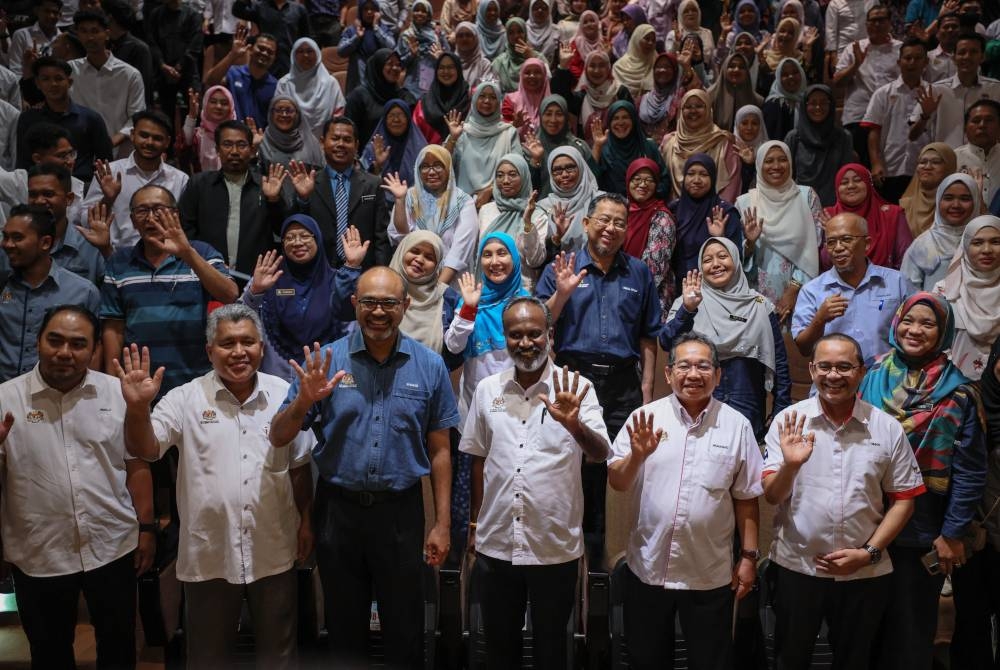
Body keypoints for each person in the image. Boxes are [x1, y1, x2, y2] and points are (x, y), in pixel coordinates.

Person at [268, 267, 460, 668]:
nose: (378, 311)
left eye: (389, 303)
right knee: (343, 631)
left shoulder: (429, 366)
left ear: (405, 307)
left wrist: (442, 523)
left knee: (405, 630)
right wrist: (304, 401)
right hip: (338, 512)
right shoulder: (325, 361)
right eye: (369, 301)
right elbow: (278, 435)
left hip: (401, 514)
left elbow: (441, 450)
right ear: (354, 304)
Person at [117, 305, 314, 669]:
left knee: (280, 656)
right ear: (210, 351)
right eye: (227, 343)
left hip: (272, 547)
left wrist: (306, 520)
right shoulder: (185, 398)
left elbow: (299, 466)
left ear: (261, 347)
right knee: (208, 658)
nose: (239, 352)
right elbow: (147, 448)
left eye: (247, 342)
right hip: (209, 552)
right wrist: (138, 409)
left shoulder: (284, 393)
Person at [0, 303, 154, 669]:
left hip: (111, 545)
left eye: (78, 343)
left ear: (95, 349)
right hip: (38, 551)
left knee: (119, 649)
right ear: (38, 341)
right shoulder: (5, 399)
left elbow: (137, 464)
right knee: (49, 653)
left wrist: (147, 528)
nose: (65, 353)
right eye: (55, 340)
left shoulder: (118, 393)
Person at [461, 297, 610, 669]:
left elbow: (600, 453)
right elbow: (478, 460)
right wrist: (475, 525)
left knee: (551, 651)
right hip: (496, 543)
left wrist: (574, 424)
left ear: (549, 334)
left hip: (553, 545)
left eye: (533, 334)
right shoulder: (486, 390)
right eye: (515, 335)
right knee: (499, 649)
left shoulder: (579, 388)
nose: (525, 343)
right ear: (506, 338)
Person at [763, 333, 925, 670]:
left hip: (865, 571)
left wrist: (869, 553)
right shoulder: (788, 422)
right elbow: (772, 496)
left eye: (844, 367)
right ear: (811, 369)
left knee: (856, 660)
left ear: (861, 371)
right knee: (789, 658)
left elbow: (904, 500)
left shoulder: (886, 427)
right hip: (798, 567)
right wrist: (791, 465)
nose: (833, 375)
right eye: (824, 366)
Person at [608, 332, 763, 669]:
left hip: (708, 573)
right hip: (648, 569)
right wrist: (636, 456)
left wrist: (749, 557)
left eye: (704, 367)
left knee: (711, 661)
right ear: (668, 373)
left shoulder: (737, 426)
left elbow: (747, 498)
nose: (694, 374)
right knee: (647, 660)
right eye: (685, 366)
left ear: (718, 375)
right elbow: (618, 482)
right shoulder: (644, 419)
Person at [858, 294, 987, 670]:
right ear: (896, 323)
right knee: (862, 629)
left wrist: (952, 534)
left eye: (928, 324)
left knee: (910, 632)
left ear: (944, 332)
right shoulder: (869, 376)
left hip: (923, 532)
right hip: (864, 521)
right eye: (909, 321)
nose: (915, 330)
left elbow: (970, 471)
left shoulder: (960, 392)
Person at [536, 193, 662, 565]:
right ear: (587, 223)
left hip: (624, 383)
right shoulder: (562, 265)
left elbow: (648, 335)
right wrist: (561, 294)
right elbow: (541, 325)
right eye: (604, 220)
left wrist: (646, 389)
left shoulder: (639, 272)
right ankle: (568, 555)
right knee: (571, 465)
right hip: (574, 380)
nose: (611, 228)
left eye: (620, 222)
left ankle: (614, 559)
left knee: (620, 468)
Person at [100, 184, 239, 397]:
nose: (151, 217)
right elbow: (113, 328)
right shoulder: (119, 262)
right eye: (142, 210)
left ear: (175, 214)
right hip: (140, 382)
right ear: (133, 220)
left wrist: (187, 253)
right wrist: (111, 384)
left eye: (159, 209)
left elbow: (229, 294)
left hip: (195, 381)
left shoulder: (201, 251)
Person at [661, 238, 791, 439]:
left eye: (723, 256)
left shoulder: (759, 305)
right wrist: (687, 310)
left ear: (736, 260)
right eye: (707, 260)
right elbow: (666, 341)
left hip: (747, 400)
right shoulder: (690, 300)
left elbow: (780, 363)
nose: (715, 264)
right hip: (697, 399)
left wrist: (780, 411)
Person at [242, 215, 364, 382]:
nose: (297, 242)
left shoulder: (338, 281)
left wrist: (352, 267)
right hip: (277, 380)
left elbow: (352, 326)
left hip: (328, 376)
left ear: (318, 239)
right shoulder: (267, 279)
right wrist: (255, 291)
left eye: (305, 236)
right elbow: (238, 320)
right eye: (290, 238)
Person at [792, 212, 914, 367]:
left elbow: (917, 329)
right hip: (834, 382)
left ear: (867, 244)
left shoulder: (897, 282)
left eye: (846, 240)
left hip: (886, 380)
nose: (838, 248)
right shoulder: (813, 290)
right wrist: (820, 319)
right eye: (831, 242)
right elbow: (803, 348)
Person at [0, 205, 100, 383]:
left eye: (17, 238)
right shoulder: (3, 285)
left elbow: (93, 352)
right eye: (5, 237)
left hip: (61, 396)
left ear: (45, 243)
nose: (7, 244)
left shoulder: (84, 292)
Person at [178, 120, 286, 282]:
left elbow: (282, 231)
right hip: (207, 275)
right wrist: (205, 262)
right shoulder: (199, 184)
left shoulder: (266, 185)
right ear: (217, 150)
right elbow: (186, 230)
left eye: (241, 145)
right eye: (227, 144)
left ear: (251, 150)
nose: (234, 151)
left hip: (254, 278)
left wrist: (273, 200)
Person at [735, 140, 822, 324]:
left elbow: (815, 247)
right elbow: (737, 259)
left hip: (801, 290)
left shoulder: (806, 196)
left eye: (782, 159)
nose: (776, 166)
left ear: (790, 163)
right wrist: (749, 243)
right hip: (757, 294)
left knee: (796, 347)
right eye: (769, 161)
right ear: (759, 164)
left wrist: (793, 290)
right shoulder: (745, 203)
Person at [290, 117, 392, 270]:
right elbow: (294, 229)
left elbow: (381, 237)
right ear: (322, 142)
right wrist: (303, 198)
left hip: (362, 271)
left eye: (347, 139)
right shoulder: (307, 182)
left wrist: (382, 272)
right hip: (317, 271)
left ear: (356, 145)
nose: (340, 144)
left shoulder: (373, 184)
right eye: (335, 138)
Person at [82, 111, 189, 252]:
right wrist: (108, 199)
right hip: (115, 256)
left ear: (167, 142)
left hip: (165, 258)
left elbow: (186, 227)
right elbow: (85, 222)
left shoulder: (180, 179)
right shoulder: (110, 173)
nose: (149, 142)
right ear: (132, 135)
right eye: (144, 135)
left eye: (157, 138)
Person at [385, 145, 480, 288]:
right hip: (412, 279)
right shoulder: (410, 195)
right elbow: (401, 236)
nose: (431, 172)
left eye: (438, 165)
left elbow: (460, 252)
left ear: (448, 168)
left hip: (449, 283)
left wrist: (437, 289)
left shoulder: (464, 202)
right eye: (425, 166)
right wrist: (399, 201)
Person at [14, 57, 112, 184]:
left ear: (69, 82)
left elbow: (105, 162)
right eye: (45, 79)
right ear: (38, 84)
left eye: (58, 78)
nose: (53, 84)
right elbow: (23, 163)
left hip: (83, 188)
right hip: (42, 187)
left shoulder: (91, 118)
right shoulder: (28, 119)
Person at [863, 37, 933, 203]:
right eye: (908, 58)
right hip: (890, 167)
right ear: (899, 62)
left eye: (918, 58)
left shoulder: (934, 93)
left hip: (924, 168)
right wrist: (875, 163)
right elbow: (874, 131)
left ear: (926, 62)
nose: (912, 62)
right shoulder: (883, 93)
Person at [68, 10, 145, 159]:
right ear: (78, 35)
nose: (90, 37)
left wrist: (109, 142)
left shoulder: (130, 74)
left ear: (107, 34)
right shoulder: (70, 71)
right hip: (80, 154)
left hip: (121, 154)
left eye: (95, 31)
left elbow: (137, 117)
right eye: (83, 31)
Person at [832, 4, 900, 166]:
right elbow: (837, 82)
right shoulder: (853, 48)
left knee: (889, 168)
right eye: (872, 20)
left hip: (891, 117)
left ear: (890, 23)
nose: (876, 24)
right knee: (859, 169)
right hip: (858, 117)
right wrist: (855, 65)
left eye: (881, 20)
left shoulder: (901, 49)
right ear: (866, 24)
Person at [934, 215, 1000, 380]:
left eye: (995, 242)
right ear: (964, 246)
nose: (987, 250)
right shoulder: (944, 291)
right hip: (952, 388)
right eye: (977, 243)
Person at [667, 154, 743, 297]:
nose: (696, 180)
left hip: (717, 290)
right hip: (678, 289)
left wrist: (720, 239)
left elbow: (738, 257)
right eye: (691, 174)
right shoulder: (673, 210)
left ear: (713, 178)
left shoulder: (724, 212)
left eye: (703, 174)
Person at [908, 33, 1000, 148]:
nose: (967, 56)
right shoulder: (936, 90)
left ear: (982, 57)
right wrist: (925, 116)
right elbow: (912, 136)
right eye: (962, 52)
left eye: (973, 52)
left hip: (986, 161)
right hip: (947, 161)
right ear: (953, 58)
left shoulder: (996, 89)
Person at [823, 163, 913, 271]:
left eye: (857, 180)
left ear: (868, 183)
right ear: (837, 189)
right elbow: (824, 263)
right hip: (839, 284)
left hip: (885, 283)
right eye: (844, 182)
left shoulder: (892, 214)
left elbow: (906, 259)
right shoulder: (828, 215)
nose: (851, 186)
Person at [901, 172, 980, 291]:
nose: (956, 205)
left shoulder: (988, 242)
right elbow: (908, 291)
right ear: (938, 201)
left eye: (965, 199)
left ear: (976, 202)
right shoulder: (924, 244)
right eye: (948, 198)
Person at [478, 154, 547, 289]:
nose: (505, 181)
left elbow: (535, 261)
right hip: (488, 289)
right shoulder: (486, 211)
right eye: (500, 175)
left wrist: (527, 222)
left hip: (521, 290)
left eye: (512, 175)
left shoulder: (537, 214)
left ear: (524, 177)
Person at [660, 89, 742, 203]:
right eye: (688, 107)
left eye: (699, 106)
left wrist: (717, 214)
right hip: (673, 213)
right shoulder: (669, 142)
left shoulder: (723, 141)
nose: (693, 111)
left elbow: (730, 186)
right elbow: (662, 181)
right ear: (681, 111)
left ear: (709, 109)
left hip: (713, 215)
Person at [448, 81, 520, 204]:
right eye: (482, 96)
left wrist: (492, 190)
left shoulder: (509, 133)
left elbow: (518, 169)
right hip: (462, 204)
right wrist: (452, 139)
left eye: (493, 97)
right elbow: (444, 164)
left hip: (500, 202)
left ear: (499, 103)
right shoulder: (461, 131)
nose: (487, 101)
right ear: (474, 100)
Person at [785, 85, 855, 207]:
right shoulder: (794, 137)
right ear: (804, 105)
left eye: (823, 102)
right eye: (813, 103)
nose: (818, 107)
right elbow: (787, 176)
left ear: (831, 105)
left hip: (835, 206)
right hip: (800, 205)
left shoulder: (843, 137)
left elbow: (846, 175)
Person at [623, 158, 676, 314]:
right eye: (637, 179)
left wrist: (628, 293)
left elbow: (655, 268)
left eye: (649, 180)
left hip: (652, 293)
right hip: (619, 288)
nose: (643, 184)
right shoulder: (620, 210)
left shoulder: (662, 217)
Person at [592, 100, 669, 198]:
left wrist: (646, 196)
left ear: (634, 120)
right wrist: (597, 146)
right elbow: (591, 180)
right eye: (615, 118)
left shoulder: (648, 147)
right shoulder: (603, 149)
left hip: (645, 207)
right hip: (613, 208)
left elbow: (664, 181)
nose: (620, 122)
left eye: (625, 117)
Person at [551, 49, 631, 143]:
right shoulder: (581, 96)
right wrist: (563, 66)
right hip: (588, 152)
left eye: (602, 65)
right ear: (586, 69)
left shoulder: (620, 92)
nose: (597, 71)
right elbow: (559, 97)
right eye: (592, 66)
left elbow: (631, 122)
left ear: (609, 69)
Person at [274, 37, 346, 138]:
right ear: (293, 56)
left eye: (309, 51)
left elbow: (338, 115)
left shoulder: (330, 83)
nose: (305, 55)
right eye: (300, 51)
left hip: (324, 143)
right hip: (290, 142)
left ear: (317, 54)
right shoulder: (284, 84)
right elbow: (279, 115)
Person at [144, 0, 203, 122]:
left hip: (188, 71)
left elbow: (194, 46)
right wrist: (162, 64)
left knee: (193, 114)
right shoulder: (155, 14)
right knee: (165, 116)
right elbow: (152, 42)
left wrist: (178, 67)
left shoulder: (193, 15)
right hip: (163, 71)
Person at [536, 146, 602, 254]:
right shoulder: (542, 207)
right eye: (557, 170)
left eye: (570, 168)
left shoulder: (601, 201)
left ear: (581, 168)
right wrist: (556, 238)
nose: (565, 174)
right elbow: (538, 256)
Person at [209, 32, 279, 130]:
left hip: (260, 140)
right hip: (230, 135)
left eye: (270, 52)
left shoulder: (276, 86)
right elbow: (211, 81)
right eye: (261, 48)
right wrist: (232, 55)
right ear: (250, 49)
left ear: (274, 58)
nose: (264, 53)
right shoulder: (233, 73)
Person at [362, 100, 428, 202]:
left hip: (414, 205)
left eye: (401, 115)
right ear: (384, 120)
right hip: (378, 205)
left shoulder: (421, 148)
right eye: (391, 115)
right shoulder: (374, 148)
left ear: (408, 119)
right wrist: (378, 165)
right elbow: (363, 186)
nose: (396, 119)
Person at [342, 49, 408, 148]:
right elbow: (349, 130)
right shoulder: (359, 96)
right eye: (390, 64)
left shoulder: (403, 95)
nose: (395, 68)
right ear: (378, 66)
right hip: (365, 156)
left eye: (398, 65)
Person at [258, 97, 326, 189]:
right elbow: (256, 175)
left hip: (306, 199)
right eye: (278, 110)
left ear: (297, 114)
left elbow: (321, 174)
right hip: (270, 200)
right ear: (271, 113)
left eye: (289, 110)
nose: (284, 114)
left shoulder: (309, 140)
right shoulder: (262, 141)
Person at [232, 0, 312, 77]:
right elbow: (238, 11)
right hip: (265, 58)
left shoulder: (299, 9)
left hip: (289, 61)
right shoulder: (259, 6)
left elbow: (306, 38)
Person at [535, 95, 595, 198]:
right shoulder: (532, 147)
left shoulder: (579, 146)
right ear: (541, 116)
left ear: (566, 117)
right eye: (548, 114)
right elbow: (527, 186)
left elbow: (593, 179)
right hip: (542, 210)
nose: (553, 120)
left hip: (579, 206)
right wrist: (535, 161)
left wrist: (597, 146)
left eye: (559, 114)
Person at [899, 142, 958, 238]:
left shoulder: (958, 206)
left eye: (936, 162)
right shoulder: (904, 207)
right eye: (922, 162)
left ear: (949, 167)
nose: (927, 167)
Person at [337, 0, 397, 92]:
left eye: (372, 9)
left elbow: (391, 47)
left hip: (379, 82)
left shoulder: (383, 29)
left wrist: (376, 28)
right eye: (365, 9)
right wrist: (356, 37)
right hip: (357, 83)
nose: (369, 12)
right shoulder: (352, 30)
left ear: (377, 12)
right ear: (360, 11)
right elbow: (341, 51)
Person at [413, 53, 471, 146]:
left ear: (458, 70)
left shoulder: (469, 99)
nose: (446, 71)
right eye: (441, 68)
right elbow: (415, 138)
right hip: (431, 157)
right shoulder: (424, 104)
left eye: (451, 67)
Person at [396, 0, 449, 99]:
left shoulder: (438, 34)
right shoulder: (407, 36)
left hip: (435, 85)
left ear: (429, 14)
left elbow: (449, 58)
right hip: (411, 87)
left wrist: (441, 56)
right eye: (416, 10)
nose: (419, 13)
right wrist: (411, 55)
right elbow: (399, 63)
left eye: (423, 11)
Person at [182, 85, 237, 174]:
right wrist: (192, 116)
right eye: (213, 102)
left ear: (231, 107)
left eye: (224, 103)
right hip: (202, 185)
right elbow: (184, 146)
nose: (218, 106)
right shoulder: (199, 135)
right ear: (205, 104)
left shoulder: (237, 135)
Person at [955, 99, 1000, 206]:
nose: (982, 125)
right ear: (965, 129)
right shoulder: (953, 158)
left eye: (989, 120)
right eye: (976, 121)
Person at [708, 53, 762, 134]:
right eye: (732, 66)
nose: (736, 69)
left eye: (741, 67)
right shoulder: (710, 95)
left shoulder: (757, 100)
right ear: (724, 69)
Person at [637, 52, 684, 145]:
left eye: (668, 67)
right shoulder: (642, 100)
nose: (662, 70)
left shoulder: (680, 97)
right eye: (658, 67)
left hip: (670, 151)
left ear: (675, 71)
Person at [6, 0, 61, 78]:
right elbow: (16, 69)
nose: (51, 16)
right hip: (27, 86)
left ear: (60, 15)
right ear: (36, 11)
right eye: (47, 11)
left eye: (55, 12)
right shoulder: (21, 34)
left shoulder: (63, 39)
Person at [500, 57, 551, 139]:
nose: (532, 76)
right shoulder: (510, 100)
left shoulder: (552, 102)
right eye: (527, 72)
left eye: (537, 72)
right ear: (521, 76)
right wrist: (514, 125)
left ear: (545, 76)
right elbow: (502, 132)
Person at [761, 57, 807, 142]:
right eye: (785, 74)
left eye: (795, 72)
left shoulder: (807, 101)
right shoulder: (773, 105)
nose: (791, 77)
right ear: (778, 78)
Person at [612, 24, 658, 100]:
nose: (650, 43)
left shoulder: (656, 63)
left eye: (653, 41)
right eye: (647, 39)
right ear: (636, 39)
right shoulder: (619, 67)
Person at [490, 17, 532, 94]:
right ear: (507, 36)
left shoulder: (538, 58)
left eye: (520, 32)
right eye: (511, 33)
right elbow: (494, 90)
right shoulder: (499, 62)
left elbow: (545, 82)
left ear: (525, 33)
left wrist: (531, 59)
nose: (516, 36)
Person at [732, 104, 768, 193]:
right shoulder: (729, 148)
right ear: (737, 125)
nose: (749, 128)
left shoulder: (768, 150)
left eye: (754, 123)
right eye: (744, 123)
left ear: (761, 126)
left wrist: (750, 164)